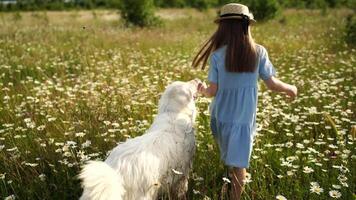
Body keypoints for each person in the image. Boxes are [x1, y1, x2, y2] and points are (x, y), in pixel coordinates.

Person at [192, 3, 297, 200]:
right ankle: (236, 197)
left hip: (220, 117)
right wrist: (290, 88)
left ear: (222, 28)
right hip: (243, 119)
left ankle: (231, 183)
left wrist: (202, 91)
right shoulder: (259, 52)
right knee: (239, 163)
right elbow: (272, 84)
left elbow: (212, 91)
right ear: (247, 26)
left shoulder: (217, 55)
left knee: (233, 159)